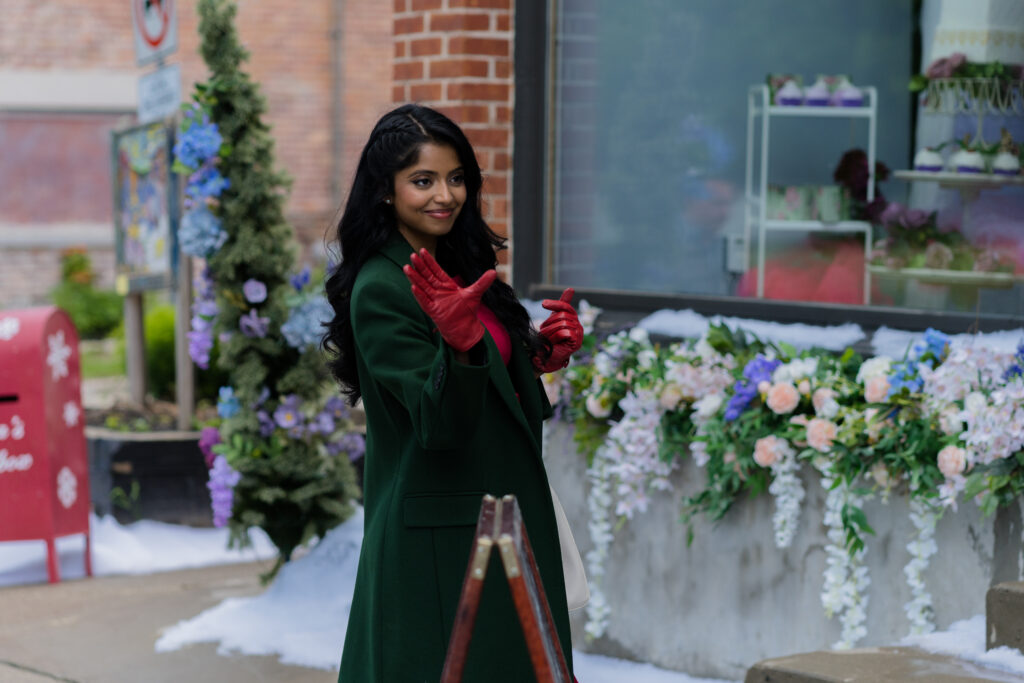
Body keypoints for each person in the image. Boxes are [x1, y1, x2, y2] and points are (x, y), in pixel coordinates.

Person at [323, 104, 584, 681]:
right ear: (385, 192)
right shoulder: (383, 288)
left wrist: (540, 356)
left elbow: (489, 386)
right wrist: (462, 347)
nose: (446, 195)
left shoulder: (462, 267)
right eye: (423, 180)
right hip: (439, 540)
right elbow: (439, 424)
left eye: (457, 177)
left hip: (499, 517)